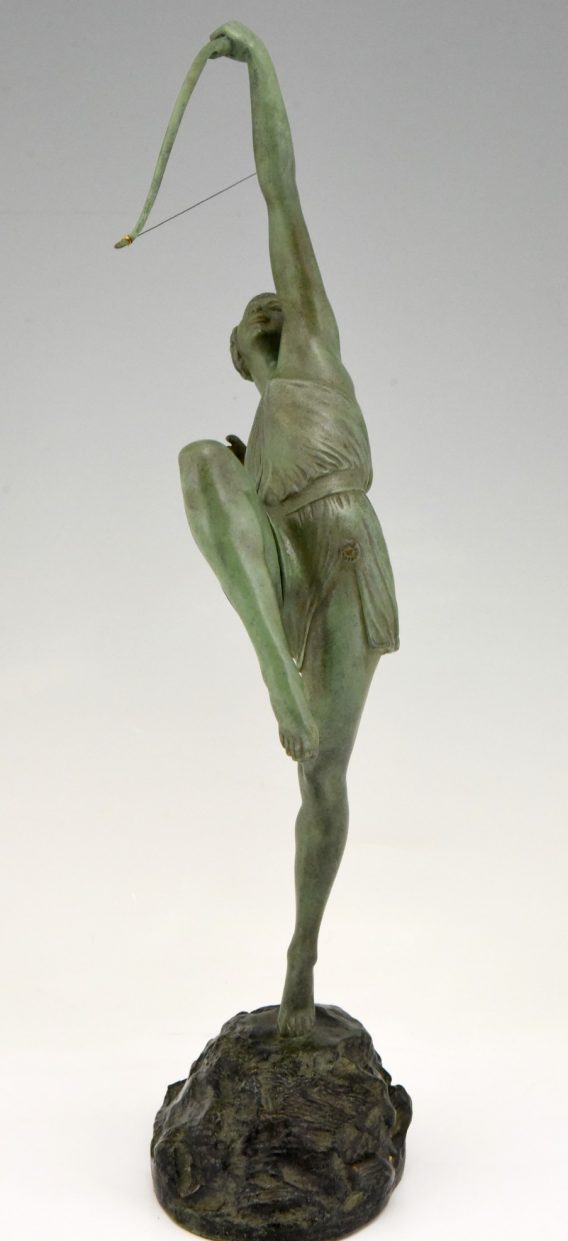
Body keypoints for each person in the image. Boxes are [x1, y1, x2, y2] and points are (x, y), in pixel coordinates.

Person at [178, 21, 399, 1036]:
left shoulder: (317, 355)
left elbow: (281, 192)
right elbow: (220, 493)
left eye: (279, 301)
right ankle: (276, 669)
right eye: (254, 312)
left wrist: (256, 63)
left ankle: (301, 955)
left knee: (323, 777)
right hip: (278, 570)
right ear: (239, 351)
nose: (272, 302)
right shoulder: (251, 436)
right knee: (199, 459)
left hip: (342, 552)